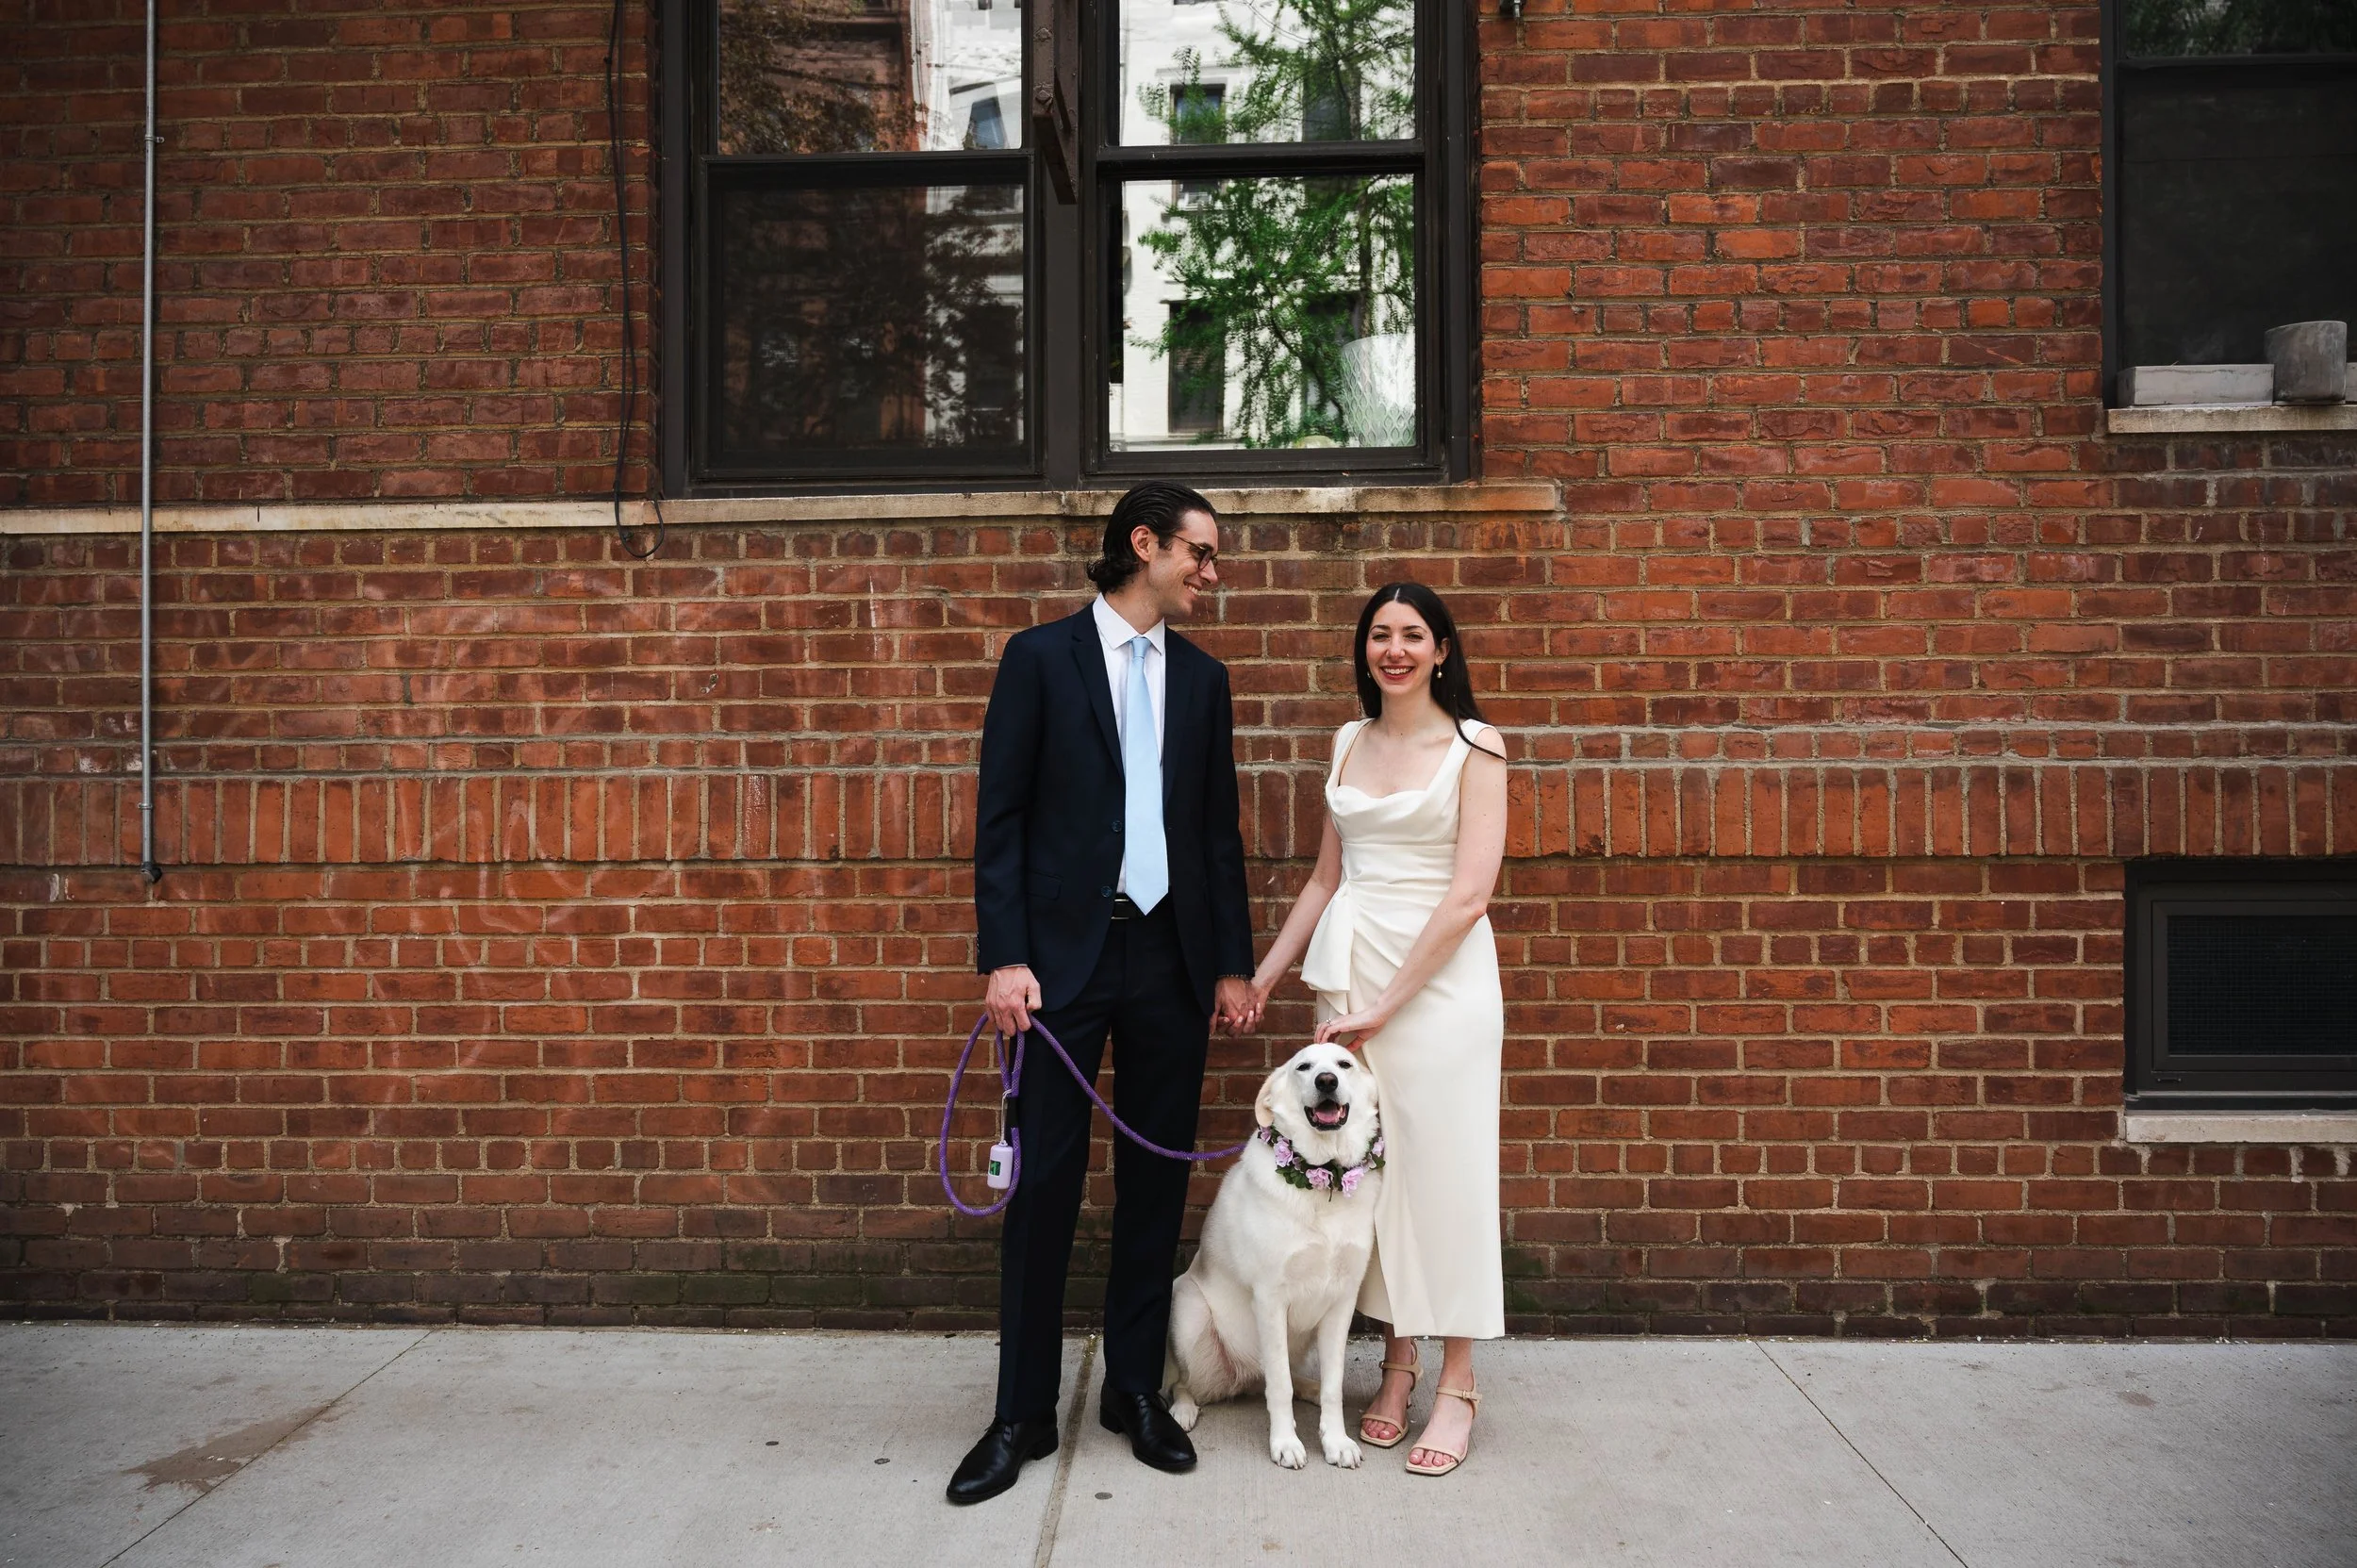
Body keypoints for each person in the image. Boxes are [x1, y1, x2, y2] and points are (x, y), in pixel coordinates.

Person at [948, 482, 1261, 1507]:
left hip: (1169, 961)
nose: (1211, 573)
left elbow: (1215, 834)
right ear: (1145, 545)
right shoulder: (1039, 660)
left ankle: (1133, 1389)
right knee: (1042, 1188)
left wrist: (1228, 963)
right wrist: (1004, 958)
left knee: (1151, 1188)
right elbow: (1003, 819)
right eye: (1200, 555)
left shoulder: (1204, 682)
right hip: (1057, 968)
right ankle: (1021, 1412)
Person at [1243, 582, 1507, 1477]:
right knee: (1367, 1183)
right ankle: (1395, 1368)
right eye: (1379, 635)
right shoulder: (1347, 742)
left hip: (1438, 986)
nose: (1394, 649)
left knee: (1447, 1176)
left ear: (1442, 650)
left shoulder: (1478, 746)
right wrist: (1263, 979)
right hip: (1348, 980)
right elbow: (1324, 879)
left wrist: (1387, 1005)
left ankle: (1459, 1381)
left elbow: (1471, 894)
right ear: (1365, 651)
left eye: (1412, 635)